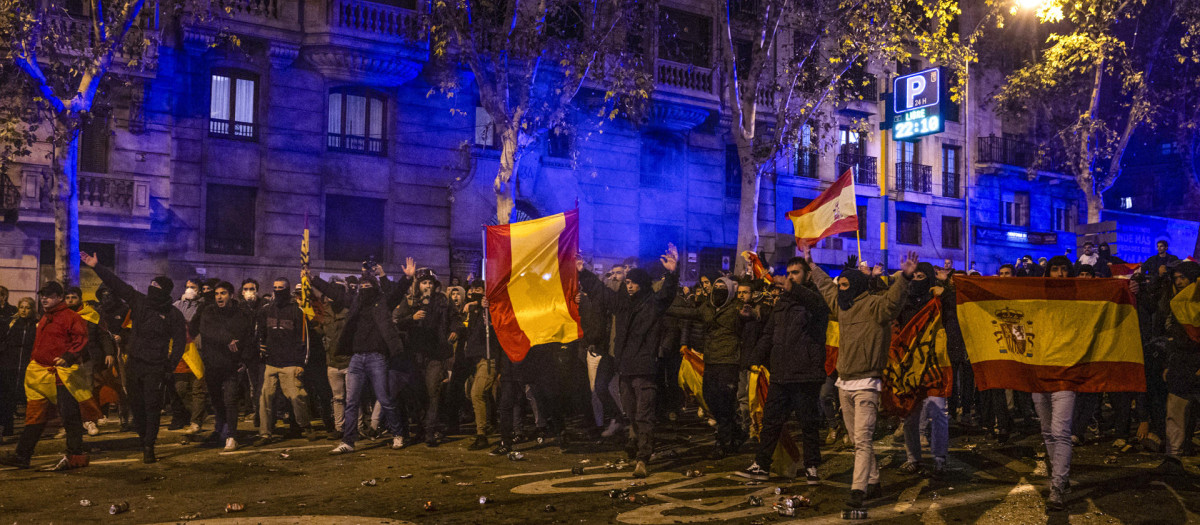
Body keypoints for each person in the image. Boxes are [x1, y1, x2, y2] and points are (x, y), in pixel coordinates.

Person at [808, 247, 917, 511]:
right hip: (844, 383)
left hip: (867, 383)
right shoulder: (842, 305)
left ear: (856, 285)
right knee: (858, 440)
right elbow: (825, 287)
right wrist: (811, 265)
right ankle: (874, 478)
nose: (841, 288)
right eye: (841, 284)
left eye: (846, 284)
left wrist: (904, 277)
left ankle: (858, 490)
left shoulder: (875, 306)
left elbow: (893, 301)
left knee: (864, 440)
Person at [577, 244, 679, 479]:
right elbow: (601, 292)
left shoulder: (651, 305)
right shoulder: (621, 305)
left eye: (633, 282)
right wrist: (582, 272)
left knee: (644, 415)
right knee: (632, 414)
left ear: (641, 283)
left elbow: (666, 295)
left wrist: (673, 274)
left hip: (644, 368)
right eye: (627, 282)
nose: (629, 284)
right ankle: (638, 444)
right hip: (625, 368)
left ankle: (643, 457)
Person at [83, 252, 187, 463]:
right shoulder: (140, 302)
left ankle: (149, 444)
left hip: (156, 366)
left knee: (152, 405)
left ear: (165, 292)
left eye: (156, 288)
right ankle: (143, 438)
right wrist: (97, 266)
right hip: (135, 364)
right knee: (137, 405)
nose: (151, 290)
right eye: (151, 286)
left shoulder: (174, 314)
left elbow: (179, 342)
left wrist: (171, 364)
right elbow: (118, 285)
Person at [737, 256, 829, 484]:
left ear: (807, 275)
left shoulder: (814, 299)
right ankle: (762, 465)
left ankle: (812, 467)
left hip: (805, 373)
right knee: (771, 422)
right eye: (788, 273)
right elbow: (769, 334)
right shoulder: (782, 303)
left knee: (808, 423)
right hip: (781, 373)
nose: (790, 277)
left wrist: (794, 288)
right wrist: (754, 358)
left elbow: (818, 306)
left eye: (795, 272)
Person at [310, 260, 411, 454]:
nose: (364, 288)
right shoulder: (355, 302)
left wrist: (406, 277)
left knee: (384, 398)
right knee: (351, 401)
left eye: (368, 285)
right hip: (356, 358)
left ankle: (398, 435)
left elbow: (396, 292)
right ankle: (348, 441)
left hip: (377, 358)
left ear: (375, 288)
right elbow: (335, 293)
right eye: (362, 286)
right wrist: (313, 279)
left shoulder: (382, 303)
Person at [0, 282, 89, 470]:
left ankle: (76, 455)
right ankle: (22, 455)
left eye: (48, 295)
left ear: (59, 297)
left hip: (60, 375)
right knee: (34, 416)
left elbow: (80, 339)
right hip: (40, 375)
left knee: (69, 416)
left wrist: (68, 357)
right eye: (42, 295)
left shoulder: (71, 317)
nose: (44, 298)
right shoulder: (45, 318)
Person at [667, 275, 750, 458]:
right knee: (710, 399)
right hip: (711, 360)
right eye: (716, 286)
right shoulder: (707, 308)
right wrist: (664, 307)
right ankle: (736, 431)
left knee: (725, 402)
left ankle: (723, 442)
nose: (719, 290)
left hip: (729, 361)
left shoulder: (737, 308)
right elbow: (688, 313)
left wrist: (749, 314)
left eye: (723, 287)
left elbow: (753, 316)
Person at [190, 281, 255, 451]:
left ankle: (231, 436)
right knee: (216, 400)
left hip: (232, 365)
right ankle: (220, 428)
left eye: (223, 293)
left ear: (231, 295)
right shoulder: (209, 311)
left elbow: (248, 337)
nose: (219, 296)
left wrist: (244, 360)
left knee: (230, 400)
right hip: (212, 364)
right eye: (217, 293)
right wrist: (227, 339)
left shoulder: (240, 313)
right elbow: (206, 329)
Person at [1038, 255, 1081, 511]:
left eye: (1064, 270)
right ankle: (1060, 479)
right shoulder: (1036, 300)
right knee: (1046, 432)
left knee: (1060, 432)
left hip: (1066, 372)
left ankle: (1056, 487)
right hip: (1039, 372)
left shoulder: (1080, 300)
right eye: (1055, 269)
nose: (1060, 274)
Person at [254, 277, 318, 445]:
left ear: (287, 289)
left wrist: (301, 364)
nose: (277, 290)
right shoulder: (266, 310)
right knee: (265, 399)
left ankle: (305, 426)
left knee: (298, 397)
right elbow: (260, 332)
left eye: (281, 287)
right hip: (271, 362)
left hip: (290, 363)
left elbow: (304, 340)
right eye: (275, 287)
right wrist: (260, 347)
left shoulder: (297, 311)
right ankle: (265, 433)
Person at [394, 267, 454, 446]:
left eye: (430, 282)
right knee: (417, 393)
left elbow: (454, 318)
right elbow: (398, 323)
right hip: (415, 354)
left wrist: (454, 330)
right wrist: (412, 318)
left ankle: (430, 431)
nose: (427, 286)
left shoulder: (442, 301)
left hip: (435, 353)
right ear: (418, 285)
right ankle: (420, 428)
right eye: (424, 282)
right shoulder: (410, 301)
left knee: (432, 391)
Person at [1161, 261, 1200, 472]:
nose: (1179, 282)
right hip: (1181, 366)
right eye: (1176, 279)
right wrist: (1169, 364)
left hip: (1195, 365)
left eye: (1183, 278)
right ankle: (1173, 457)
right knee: (1175, 412)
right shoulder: (1176, 304)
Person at [63, 287, 115, 437]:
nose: (70, 300)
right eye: (67, 298)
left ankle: (89, 420)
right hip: (67, 360)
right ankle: (72, 423)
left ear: (80, 298)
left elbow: (103, 335)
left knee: (88, 390)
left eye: (73, 297)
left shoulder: (91, 315)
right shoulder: (62, 316)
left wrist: (109, 352)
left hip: (87, 358)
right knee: (69, 392)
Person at [456, 280, 499, 450]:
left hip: (487, 358)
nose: (475, 292)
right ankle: (489, 423)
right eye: (472, 290)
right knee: (476, 394)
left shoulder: (488, 309)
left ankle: (481, 434)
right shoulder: (471, 311)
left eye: (479, 290)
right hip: (473, 359)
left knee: (477, 393)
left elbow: (489, 327)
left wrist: (483, 306)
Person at [0, 297, 36, 438]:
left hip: (28, 365)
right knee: (7, 397)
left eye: (27, 308)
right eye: (21, 307)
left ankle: (30, 428)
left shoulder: (36, 325)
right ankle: (7, 427)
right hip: (9, 364)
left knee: (27, 397)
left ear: (32, 309)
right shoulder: (11, 323)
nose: (24, 310)